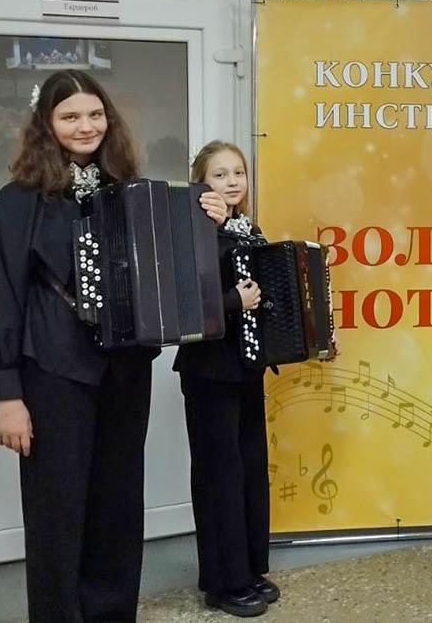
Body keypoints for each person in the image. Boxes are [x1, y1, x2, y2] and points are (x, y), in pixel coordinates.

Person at [0, 70, 227, 622]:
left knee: (117, 505)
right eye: (70, 116)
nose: (85, 126)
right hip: (53, 372)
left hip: (125, 372)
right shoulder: (18, 202)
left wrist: (209, 220)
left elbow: (176, 266)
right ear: (47, 124)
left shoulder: (132, 192)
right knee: (56, 512)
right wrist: (6, 392)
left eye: (95, 114)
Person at [173, 140, 277, 618]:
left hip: (246, 366)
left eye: (239, 172)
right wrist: (235, 300)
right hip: (208, 370)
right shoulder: (190, 234)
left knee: (250, 466)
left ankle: (248, 569)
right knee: (220, 474)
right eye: (220, 174)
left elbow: (265, 290)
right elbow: (183, 304)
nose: (232, 181)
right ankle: (223, 582)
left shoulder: (248, 230)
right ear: (200, 183)